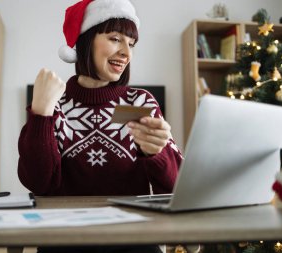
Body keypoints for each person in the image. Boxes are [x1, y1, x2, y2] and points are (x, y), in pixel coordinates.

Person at [18, 0, 183, 252]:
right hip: (64, 240)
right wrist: (41, 114)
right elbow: (38, 183)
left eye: (131, 44)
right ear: (86, 41)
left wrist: (156, 153)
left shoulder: (137, 102)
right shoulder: (56, 104)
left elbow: (174, 188)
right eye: (116, 39)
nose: (127, 53)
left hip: (132, 240)